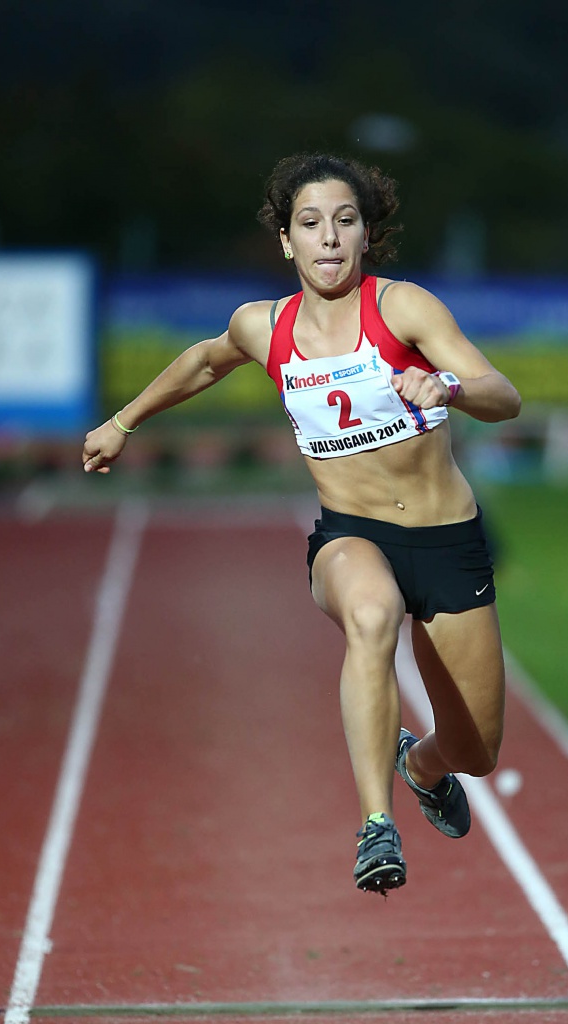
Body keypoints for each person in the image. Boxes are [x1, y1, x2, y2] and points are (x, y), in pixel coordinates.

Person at [82, 153, 522, 895]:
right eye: (311, 224)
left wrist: (446, 384)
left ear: (366, 235)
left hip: (448, 542)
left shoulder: (404, 309)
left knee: (476, 752)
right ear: (287, 240)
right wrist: (122, 422)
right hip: (353, 537)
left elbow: (503, 395)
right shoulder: (264, 326)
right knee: (373, 613)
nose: (329, 238)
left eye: (344, 222)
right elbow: (203, 363)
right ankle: (376, 826)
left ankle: (420, 765)